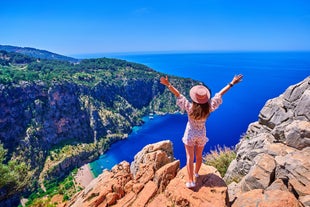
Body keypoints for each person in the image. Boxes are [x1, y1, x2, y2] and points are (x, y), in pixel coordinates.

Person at [160, 74, 243, 188]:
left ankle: (190, 181)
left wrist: (168, 84)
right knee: (199, 156)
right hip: (201, 134)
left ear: (194, 98)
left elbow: (178, 94)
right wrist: (232, 83)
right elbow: (220, 94)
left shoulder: (189, 108)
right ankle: (196, 173)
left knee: (190, 157)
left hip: (190, 134)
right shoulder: (209, 107)